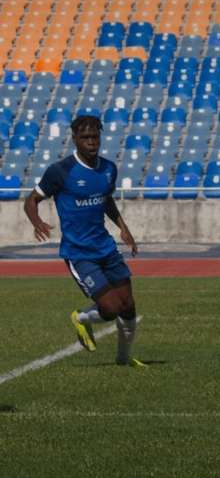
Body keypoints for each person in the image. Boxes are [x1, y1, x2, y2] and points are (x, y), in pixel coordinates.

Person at [23, 115, 144, 368]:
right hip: (79, 252)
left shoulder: (108, 168)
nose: (91, 142)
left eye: (95, 137)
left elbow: (105, 199)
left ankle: (123, 359)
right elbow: (32, 199)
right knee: (110, 309)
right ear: (75, 139)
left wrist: (124, 228)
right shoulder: (61, 171)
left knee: (128, 306)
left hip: (106, 247)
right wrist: (37, 222)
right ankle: (81, 317)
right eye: (85, 138)